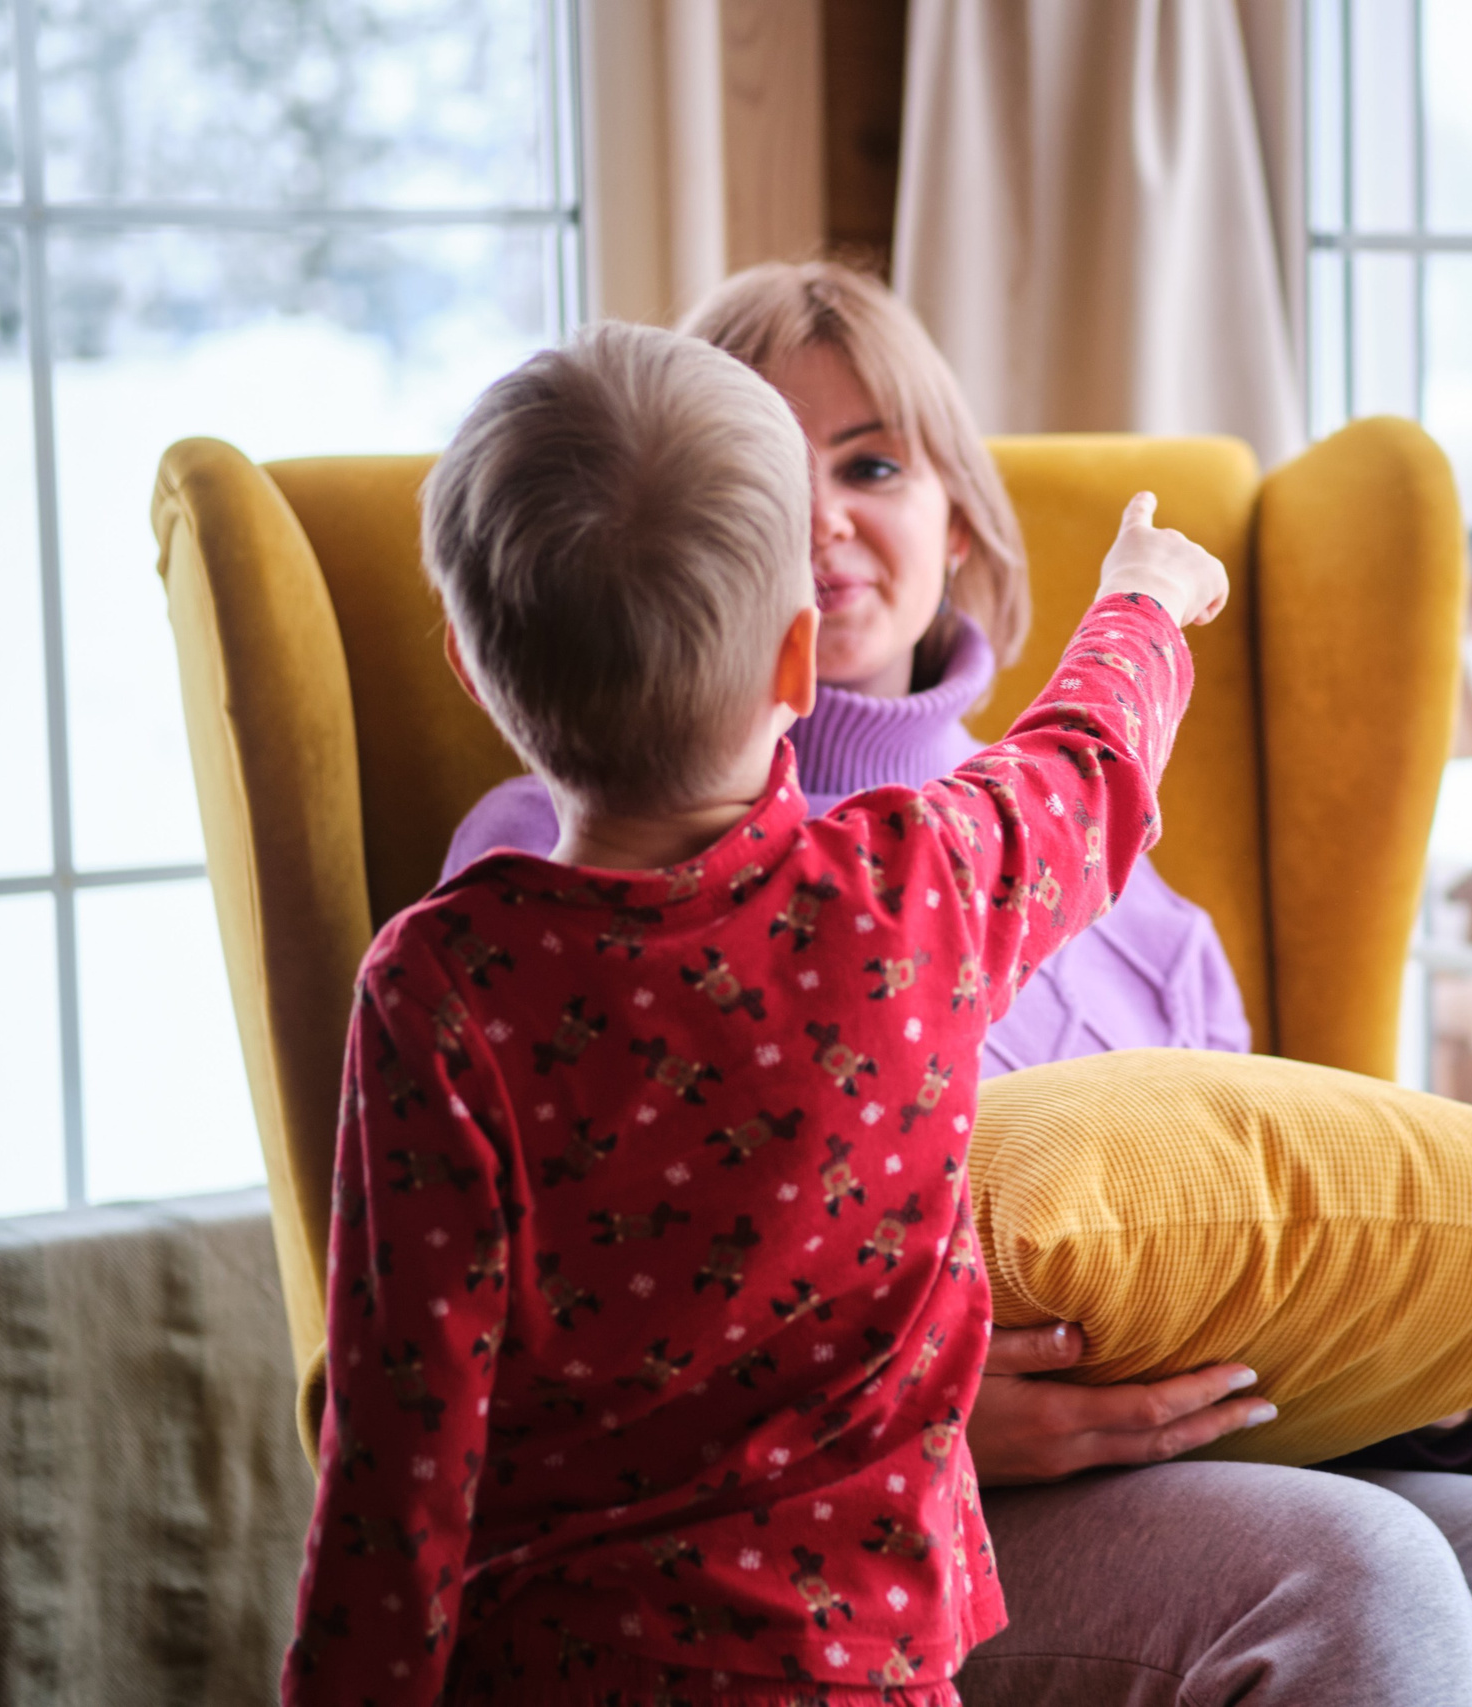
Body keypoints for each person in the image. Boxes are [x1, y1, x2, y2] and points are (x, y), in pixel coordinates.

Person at [444, 263, 1472, 1706]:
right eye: (764, 460)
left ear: (961, 522)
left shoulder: (1140, 911)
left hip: (1214, 1478)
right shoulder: (550, 870)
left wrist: (1407, 1365)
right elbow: (544, 1339)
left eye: (873, 461)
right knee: (1352, 1575)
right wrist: (927, 1420)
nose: (821, 515)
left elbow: (1258, 1252)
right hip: (845, 1537)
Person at [284, 318, 1228, 1705]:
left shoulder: (437, 990)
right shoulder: (916, 890)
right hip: (859, 1664)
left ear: (473, 669)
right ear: (799, 665)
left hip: (548, 1666)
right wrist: (1140, 597)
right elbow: (1087, 764)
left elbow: (398, 1451)